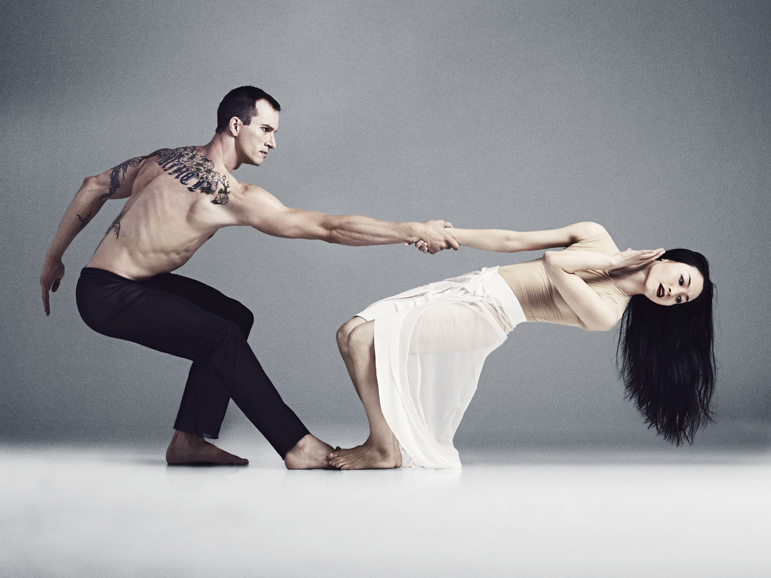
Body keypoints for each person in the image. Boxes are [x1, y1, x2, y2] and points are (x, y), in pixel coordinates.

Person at [39, 86, 458, 468]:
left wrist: (54, 259)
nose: (273, 141)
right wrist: (411, 230)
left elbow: (93, 184)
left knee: (233, 318)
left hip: (117, 283)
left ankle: (188, 441)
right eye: (266, 129)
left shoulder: (163, 159)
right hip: (109, 295)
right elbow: (328, 228)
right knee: (220, 335)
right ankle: (297, 445)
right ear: (236, 125)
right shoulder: (233, 197)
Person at [331, 221, 716, 469]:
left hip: (487, 315)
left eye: (681, 300)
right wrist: (440, 235)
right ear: (666, 258)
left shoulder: (608, 311)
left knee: (365, 339)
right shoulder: (595, 233)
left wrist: (613, 262)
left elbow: (554, 264)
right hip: (472, 284)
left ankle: (383, 447)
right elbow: (512, 240)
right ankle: (384, 445)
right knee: (349, 333)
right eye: (682, 281)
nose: (673, 293)